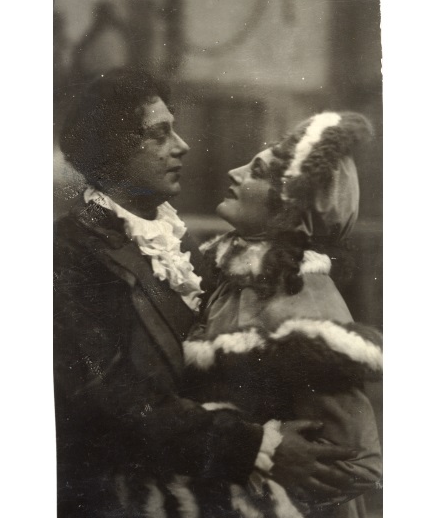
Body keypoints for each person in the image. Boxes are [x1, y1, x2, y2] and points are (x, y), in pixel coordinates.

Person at [53, 68, 363, 518]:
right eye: (159, 134)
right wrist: (254, 446)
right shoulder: (69, 252)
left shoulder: (184, 250)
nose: (182, 146)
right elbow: (109, 398)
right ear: (112, 148)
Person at [174, 111, 383, 517]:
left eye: (256, 172)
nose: (234, 173)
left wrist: (270, 457)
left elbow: (361, 463)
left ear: (291, 209)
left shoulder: (301, 300)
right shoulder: (242, 282)